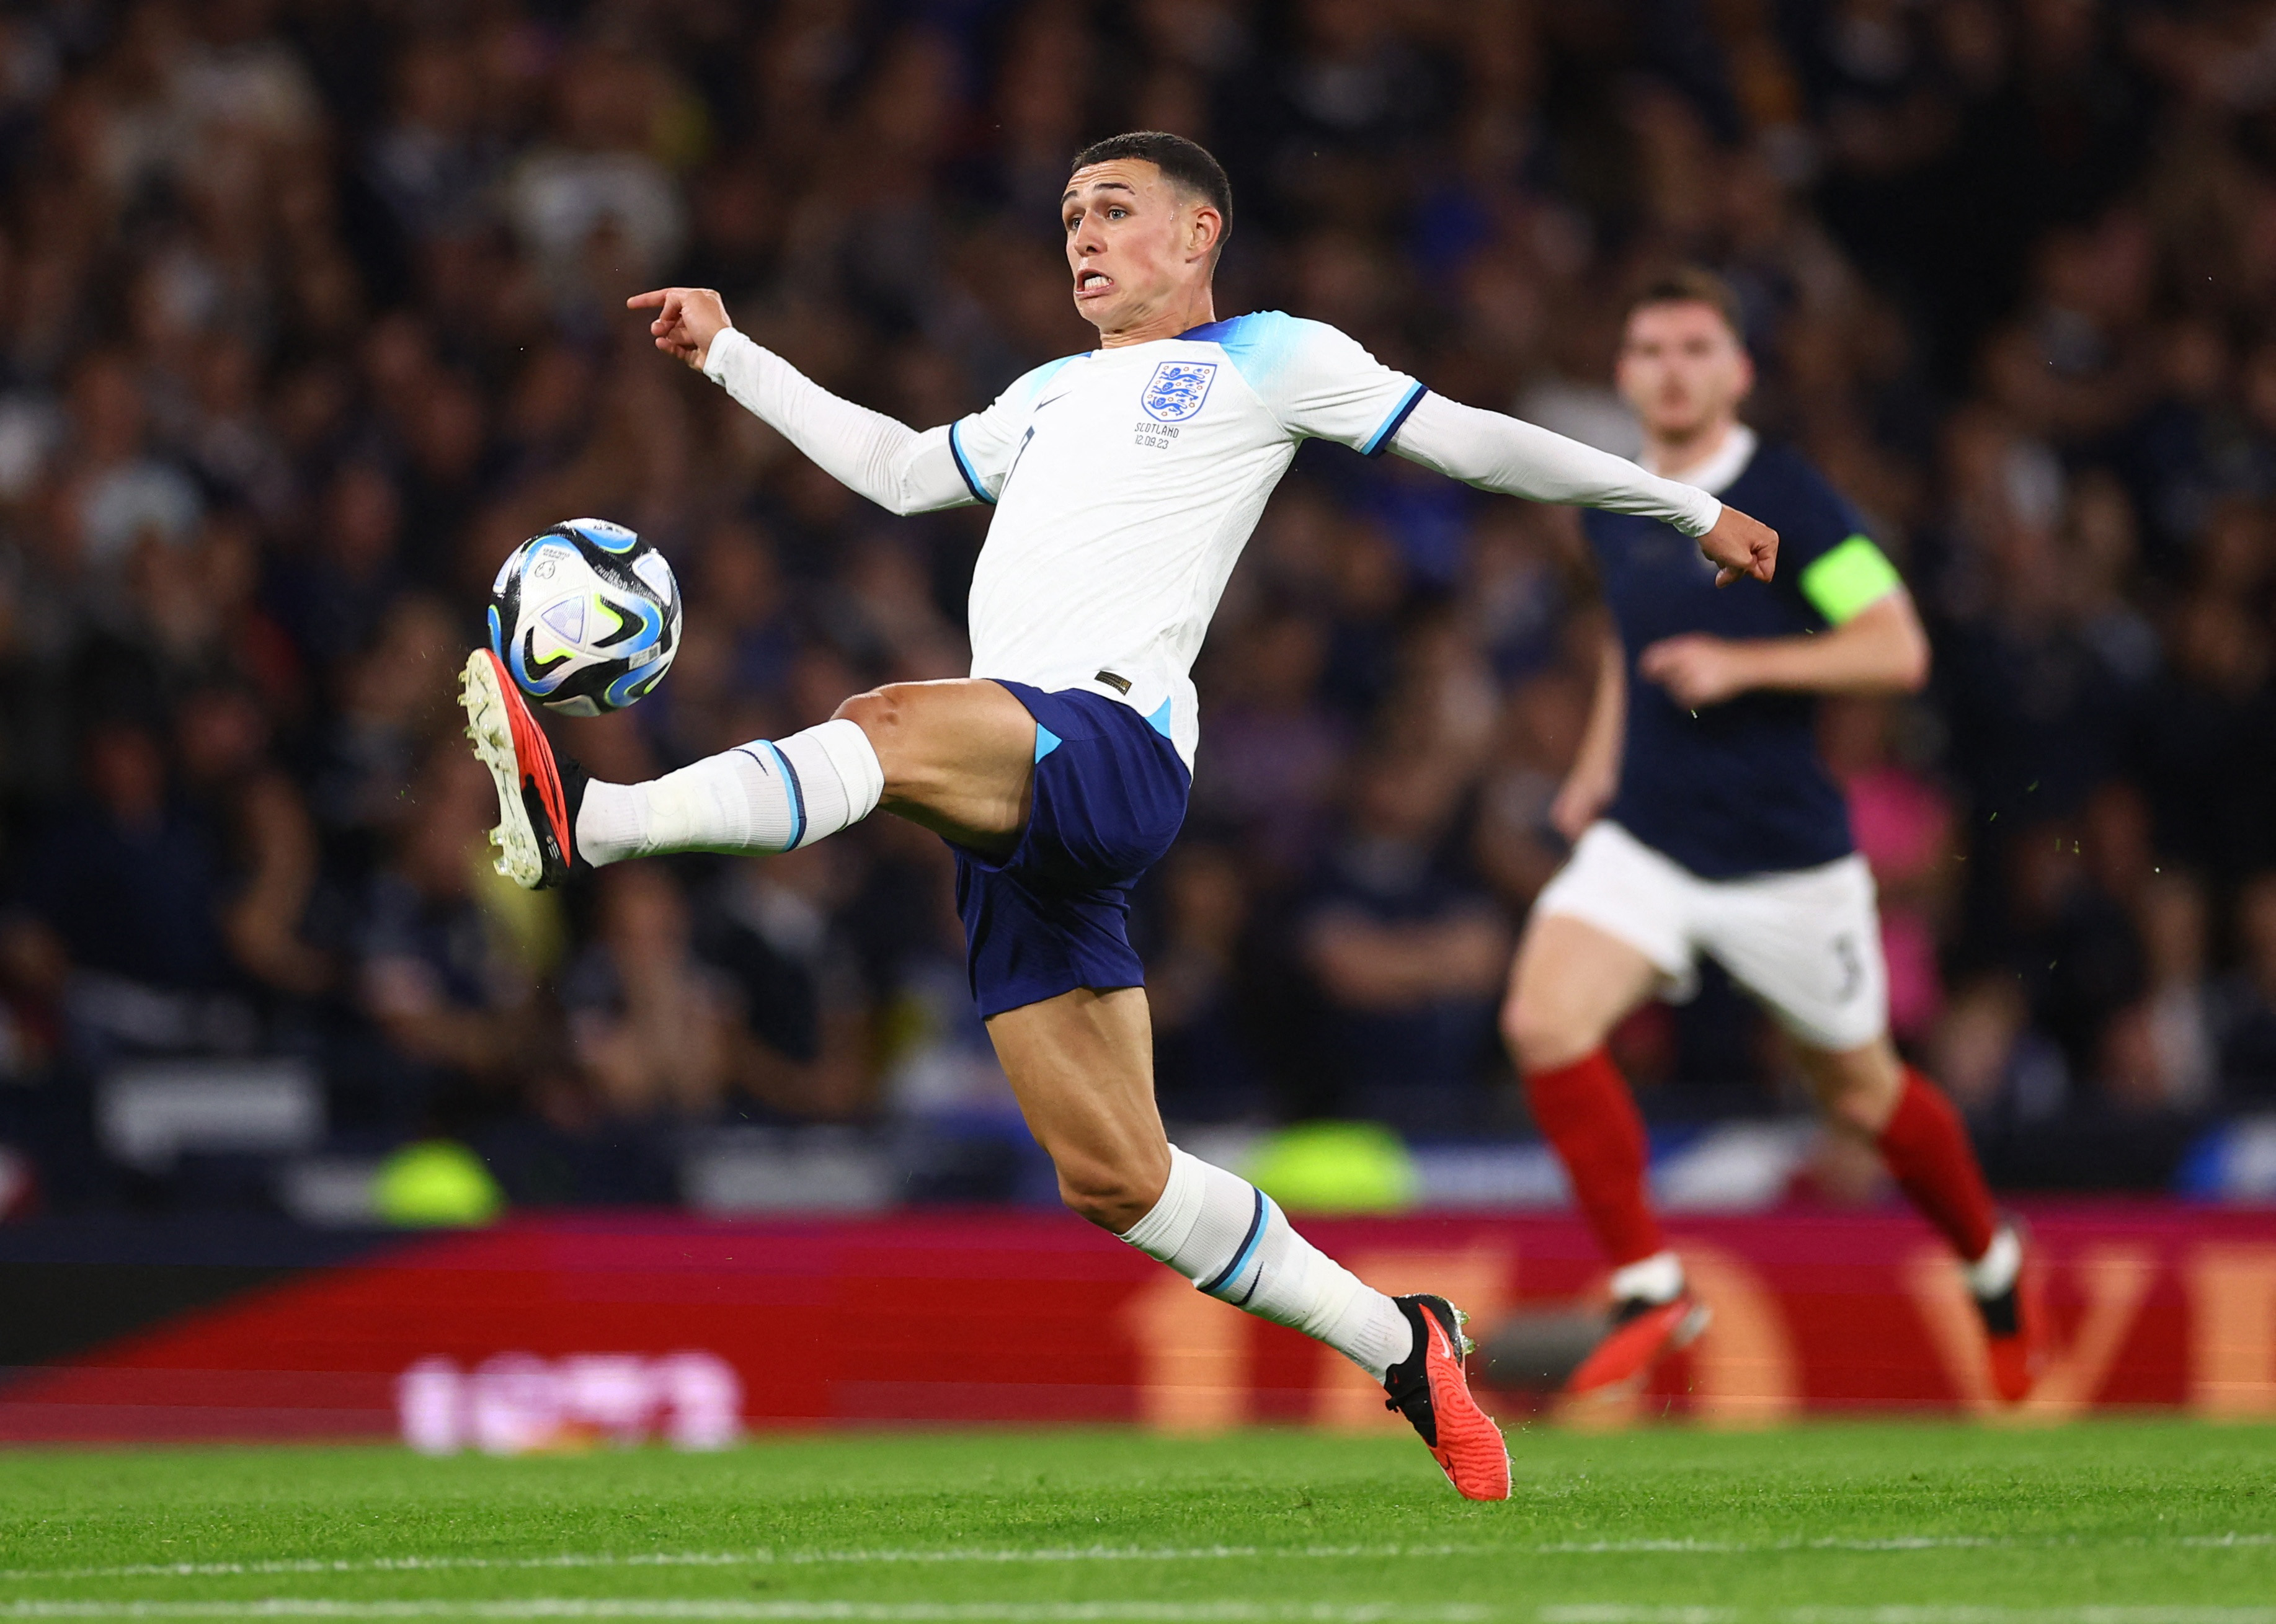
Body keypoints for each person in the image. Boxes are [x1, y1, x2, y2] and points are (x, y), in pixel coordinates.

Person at [459, 134, 1777, 1498]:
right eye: (1070, 215)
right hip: (1016, 802)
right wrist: (732, 351)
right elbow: (907, 469)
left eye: (1113, 211)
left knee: (887, 723)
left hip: (1104, 743)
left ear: (1199, 231)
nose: (1081, 236)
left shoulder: (1270, 354)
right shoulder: (1044, 394)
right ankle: (1403, 1342)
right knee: (1117, 1175)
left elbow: (1473, 441)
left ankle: (592, 822)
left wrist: (1681, 506)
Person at [1498, 267, 2041, 1405]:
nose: (1673, 369)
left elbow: (1894, 647)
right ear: (1624, 374)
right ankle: (1649, 1284)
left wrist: (1747, 665)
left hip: (1783, 866)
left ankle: (1989, 1262)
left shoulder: (1793, 500)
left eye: (1697, 348)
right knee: (1543, 1020)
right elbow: (1623, 641)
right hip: (1647, 844)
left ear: (1738, 372)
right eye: (1650, 350)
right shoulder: (1614, 497)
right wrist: (1599, 763)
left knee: (1861, 1096)